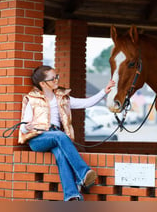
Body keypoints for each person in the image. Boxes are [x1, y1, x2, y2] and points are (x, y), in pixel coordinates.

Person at [18, 65, 115, 201]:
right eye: (53, 78)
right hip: (37, 139)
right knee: (60, 136)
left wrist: (104, 91)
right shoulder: (32, 99)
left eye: (56, 76)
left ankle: (71, 196)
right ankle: (83, 173)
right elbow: (22, 127)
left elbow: (86, 103)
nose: (57, 80)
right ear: (42, 83)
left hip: (57, 137)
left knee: (61, 155)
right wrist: (27, 127)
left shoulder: (63, 98)